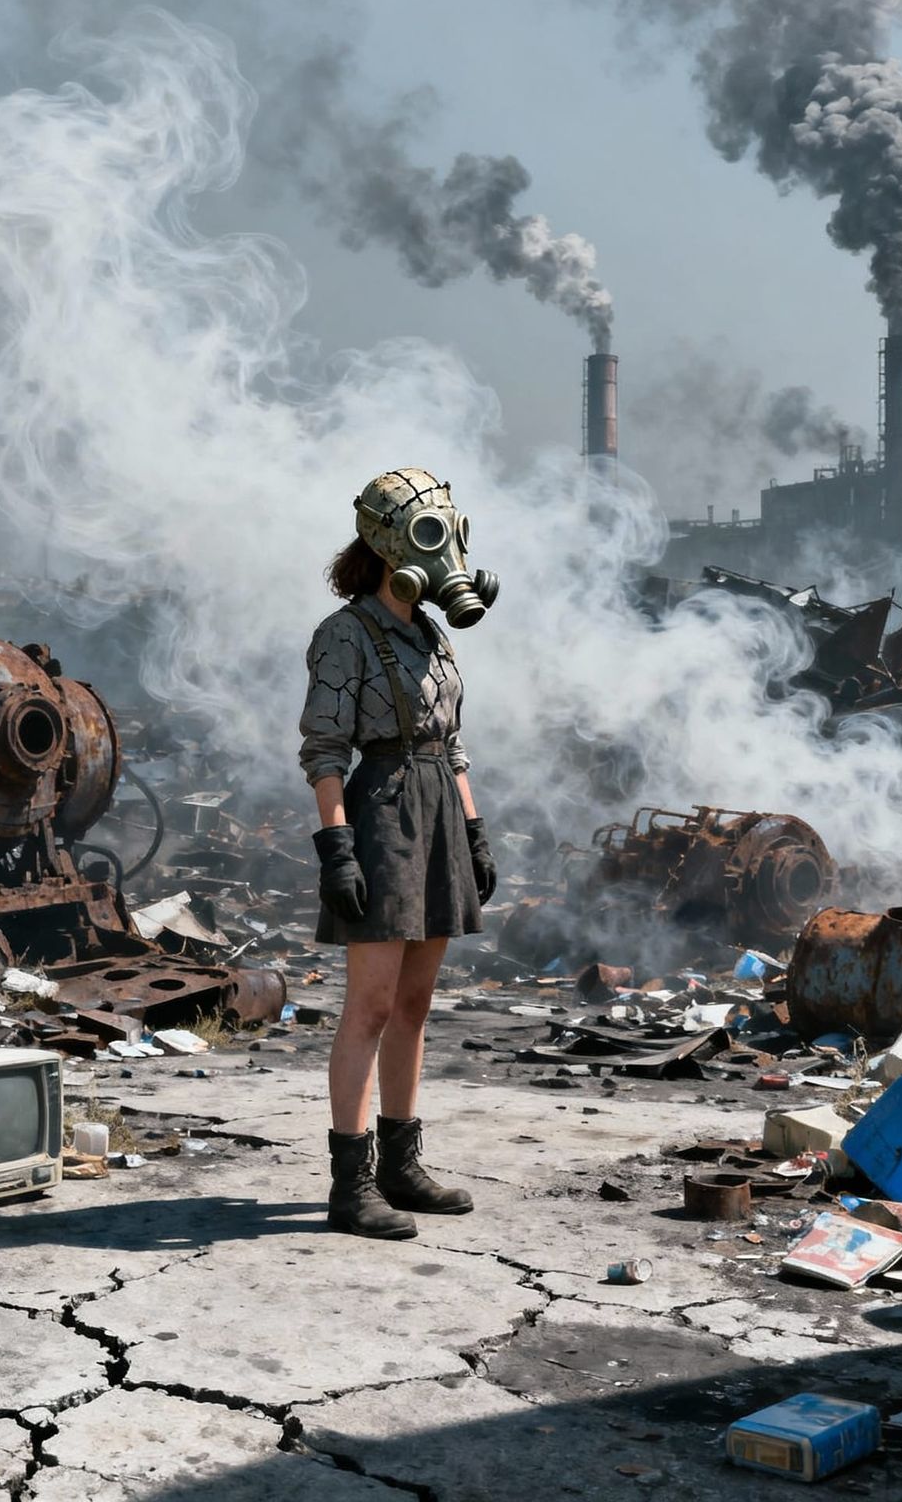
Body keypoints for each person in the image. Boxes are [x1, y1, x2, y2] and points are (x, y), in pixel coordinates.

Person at [298, 468, 500, 1240]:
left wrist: (473, 831)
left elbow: (450, 747)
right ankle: (350, 1184)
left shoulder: (430, 631)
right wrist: (337, 846)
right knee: (372, 1005)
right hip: (380, 813)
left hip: (437, 812)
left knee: (415, 1005)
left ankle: (400, 1165)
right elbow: (323, 749)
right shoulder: (344, 634)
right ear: (388, 545)